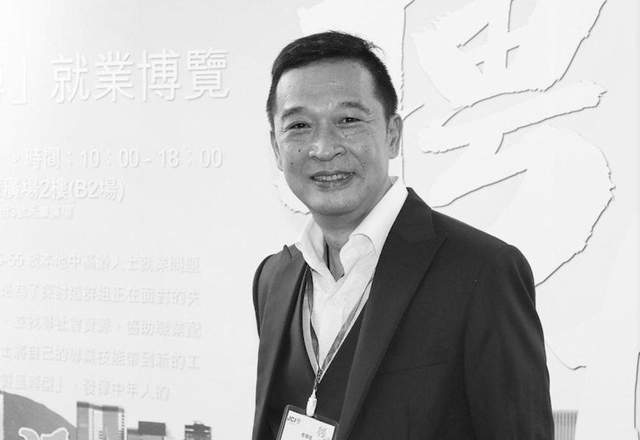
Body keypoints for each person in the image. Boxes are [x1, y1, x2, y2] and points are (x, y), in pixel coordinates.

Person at [252, 31, 553, 440]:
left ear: (393, 134)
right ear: (276, 146)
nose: (323, 148)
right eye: (299, 125)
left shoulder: (482, 271)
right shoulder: (274, 278)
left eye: (348, 120)